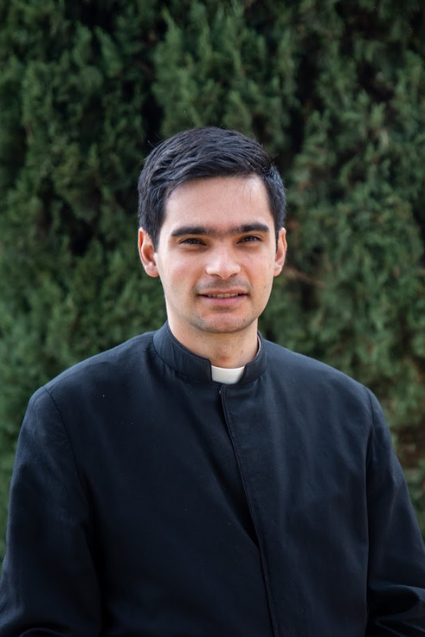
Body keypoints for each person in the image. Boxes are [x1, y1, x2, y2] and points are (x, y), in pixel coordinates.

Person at [0, 127, 424, 637]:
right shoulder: (71, 415)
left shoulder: (350, 411)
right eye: (194, 241)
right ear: (150, 253)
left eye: (249, 239)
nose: (223, 267)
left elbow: (406, 609)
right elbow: (43, 626)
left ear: (279, 251)